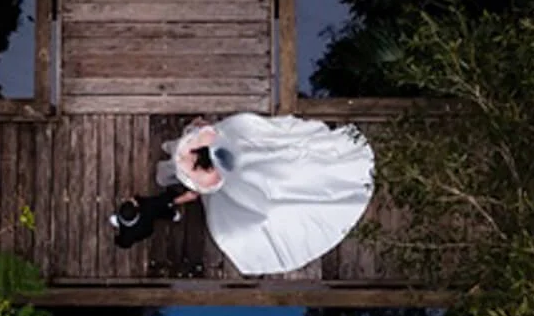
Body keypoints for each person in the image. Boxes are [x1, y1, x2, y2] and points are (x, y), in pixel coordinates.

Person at [111, 114, 376, 274]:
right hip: (233, 164)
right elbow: (205, 169)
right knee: (270, 174)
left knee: (266, 186)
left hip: (228, 170)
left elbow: (206, 184)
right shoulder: (207, 142)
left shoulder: (193, 156)